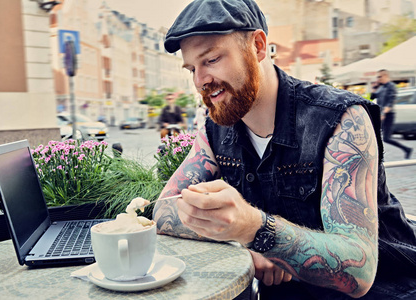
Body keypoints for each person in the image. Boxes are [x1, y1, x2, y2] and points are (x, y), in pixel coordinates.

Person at [153, 1, 416, 299]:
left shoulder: (340, 119)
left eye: (211, 59)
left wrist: (255, 229)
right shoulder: (216, 130)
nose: (200, 80)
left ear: (258, 46)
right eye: (192, 68)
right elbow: (163, 210)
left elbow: (360, 269)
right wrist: (243, 242)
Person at [371, 69, 413, 159]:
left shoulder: (391, 86)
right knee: (375, 135)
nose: (378, 78)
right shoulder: (381, 87)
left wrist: (383, 113)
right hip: (381, 114)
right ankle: (377, 156)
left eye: (379, 76)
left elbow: (391, 101)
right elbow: (372, 97)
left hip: (388, 115)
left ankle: (406, 149)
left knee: (386, 138)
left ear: (385, 76)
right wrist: (374, 87)